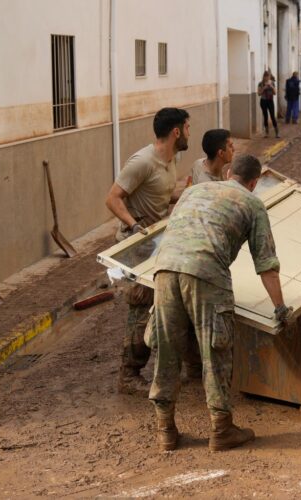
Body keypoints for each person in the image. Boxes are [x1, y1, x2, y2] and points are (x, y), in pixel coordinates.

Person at [148, 154, 294, 453]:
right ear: (254, 182)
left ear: (229, 173)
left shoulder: (192, 191)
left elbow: (173, 233)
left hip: (164, 269)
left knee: (167, 349)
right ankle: (221, 430)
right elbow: (266, 264)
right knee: (214, 350)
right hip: (206, 273)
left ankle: (165, 431)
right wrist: (280, 309)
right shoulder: (253, 203)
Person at [104, 107, 201, 396]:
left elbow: (163, 194)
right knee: (140, 306)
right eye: (187, 128)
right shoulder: (143, 161)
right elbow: (112, 198)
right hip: (136, 246)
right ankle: (128, 375)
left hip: (157, 242)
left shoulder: (171, 159)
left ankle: (188, 364)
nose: (188, 133)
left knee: (170, 301)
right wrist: (134, 226)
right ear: (175, 132)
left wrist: (192, 194)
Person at [257, 70, 279, 138]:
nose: (267, 78)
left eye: (268, 77)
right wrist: (264, 88)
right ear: (263, 77)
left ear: (269, 77)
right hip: (263, 101)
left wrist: (271, 87)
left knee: (272, 116)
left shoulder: (272, 83)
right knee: (265, 116)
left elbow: (275, 93)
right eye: (265, 77)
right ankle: (267, 133)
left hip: (270, 101)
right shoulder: (260, 84)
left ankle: (277, 133)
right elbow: (259, 93)